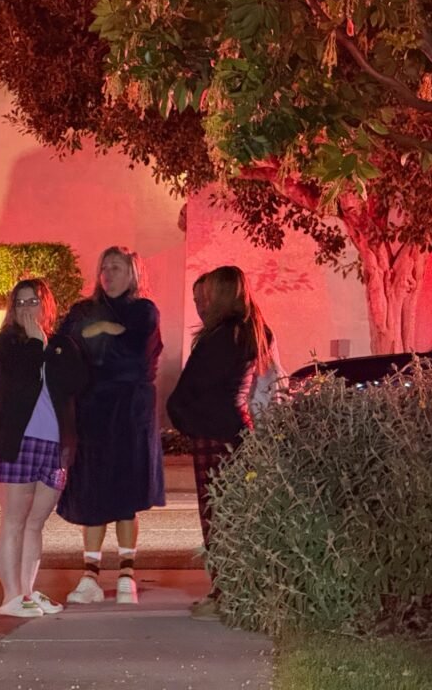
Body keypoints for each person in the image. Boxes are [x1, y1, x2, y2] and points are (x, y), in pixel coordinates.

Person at [56, 246, 165, 605]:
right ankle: (90, 575)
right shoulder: (83, 310)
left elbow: (137, 359)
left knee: (126, 496)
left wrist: (100, 333)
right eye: (104, 268)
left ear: (133, 273)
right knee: (93, 494)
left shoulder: (143, 310)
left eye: (117, 267)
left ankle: (126, 575)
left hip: (130, 415)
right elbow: (66, 348)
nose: (109, 274)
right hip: (91, 412)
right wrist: (108, 329)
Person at [166, 265, 275, 620]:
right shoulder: (251, 331)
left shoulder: (220, 337)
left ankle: (225, 594)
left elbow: (192, 387)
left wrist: (182, 418)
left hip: (213, 432)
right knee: (235, 515)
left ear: (223, 294)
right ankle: (238, 590)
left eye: (208, 294)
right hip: (237, 428)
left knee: (215, 516)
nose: (203, 302)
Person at [0, 279, 88, 617]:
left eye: (34, 301)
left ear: (47, 306)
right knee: (14, 519)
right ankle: (11, 596)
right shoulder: (5, 344)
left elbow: (76, 384)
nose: (27, 308)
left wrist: (45, 345)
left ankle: (27, 591)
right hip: (18, 440)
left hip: (54, 442)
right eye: (20, 302)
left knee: (35, 522)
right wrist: (32, 344)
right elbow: (13, 384)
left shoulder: (62, 344)